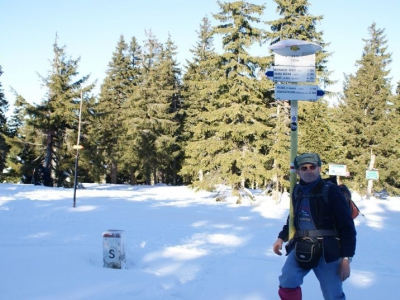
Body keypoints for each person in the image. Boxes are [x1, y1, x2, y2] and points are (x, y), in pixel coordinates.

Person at [272, 153, 356, 300]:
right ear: (298, 171)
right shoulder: (297, 191)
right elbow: (292, 218)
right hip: (302, 246)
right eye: (304, 168)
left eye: (312, 167)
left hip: (328, 251)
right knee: (287, 281)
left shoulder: (331, 191)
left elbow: (347, 226)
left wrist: (346, 259)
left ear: (319, 168)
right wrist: (281, 238)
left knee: (333, 294)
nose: (308, 170)